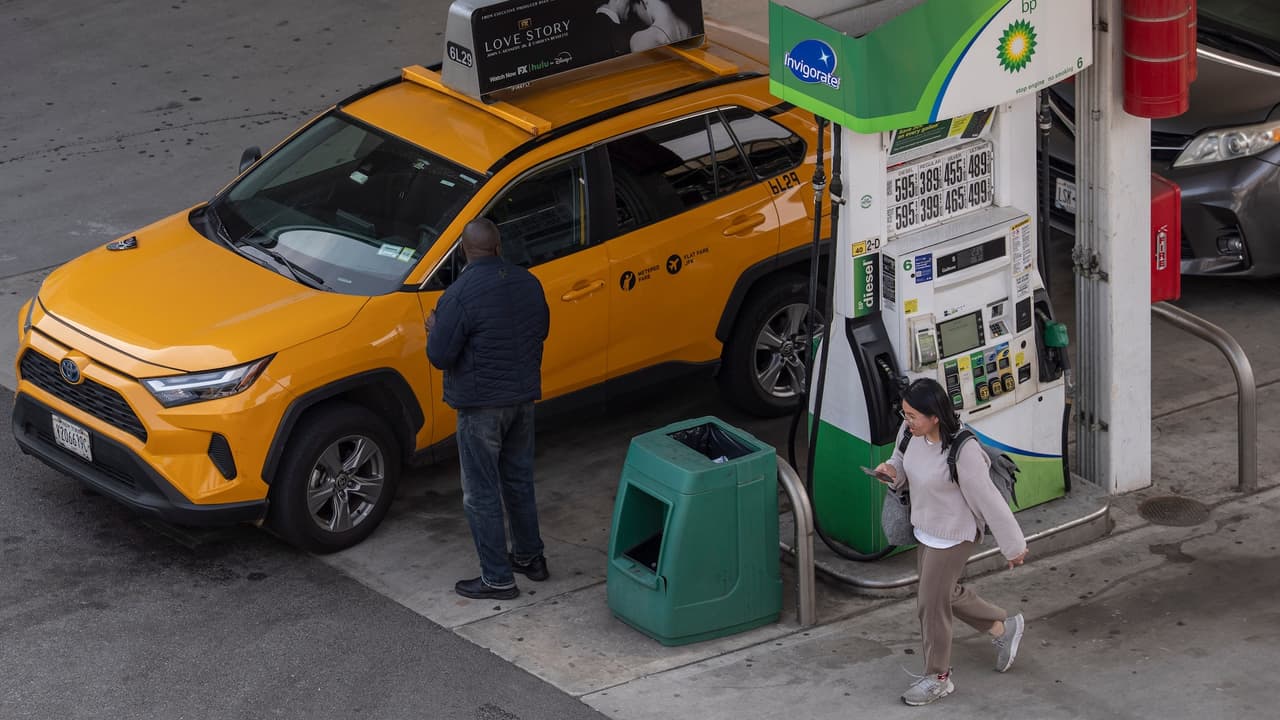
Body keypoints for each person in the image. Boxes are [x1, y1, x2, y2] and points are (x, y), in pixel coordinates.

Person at [874, 377, 1030, 707]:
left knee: (930, 605)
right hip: (926, 528)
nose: (907, 421)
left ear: (935, 416)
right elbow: (901, 463)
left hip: (955, 534)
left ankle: (938, 678)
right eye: (905, 414)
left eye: (913, 415)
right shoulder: (909, 433)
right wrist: (891, 472)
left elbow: (990, 501)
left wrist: (1013, 546)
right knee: (944, 594)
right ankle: (1003, 629)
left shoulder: (963, 450)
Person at [426, 218, 551, 601]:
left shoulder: (459, 294)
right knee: (518, 481)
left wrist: (434, 326)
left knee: (480, 493)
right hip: (522, 401)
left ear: (464, 250)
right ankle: (531, 558)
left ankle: (497, 578)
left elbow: (440, 356)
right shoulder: (528, 282)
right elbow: (541, 328)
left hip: (481, 408)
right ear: (498, 247)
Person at [629, 0, 696, 52]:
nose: (639, 17)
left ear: (643, 1)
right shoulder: (687, 27)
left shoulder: (638, 40)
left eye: (635, 11)